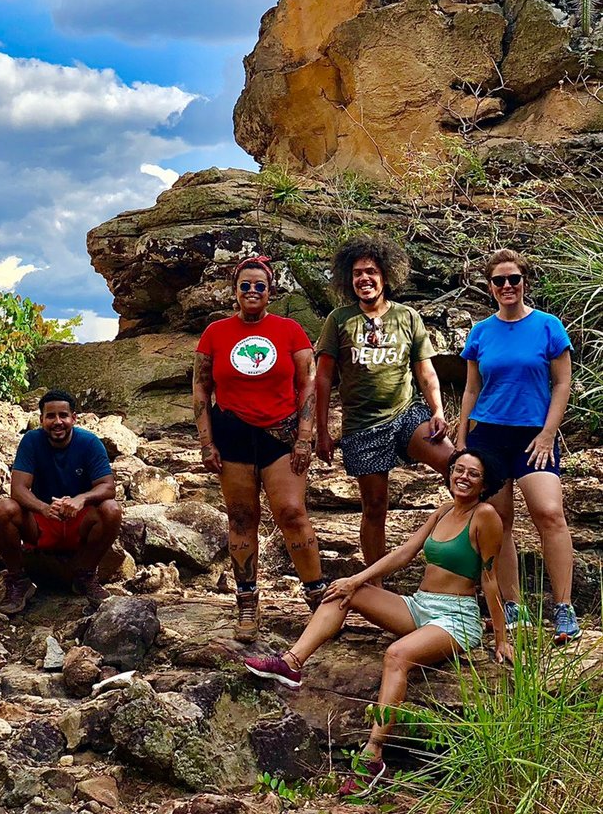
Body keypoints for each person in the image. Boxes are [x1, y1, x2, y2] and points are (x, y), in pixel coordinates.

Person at [244, 449, 511, 798]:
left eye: (472, 474)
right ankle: (291, 663)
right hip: (420, 607)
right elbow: (404, 553)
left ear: (484, 482)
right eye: (458, 469)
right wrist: (357, 579)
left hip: (456, 618)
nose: (462, 477)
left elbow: (490, 580)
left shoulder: (486, 516)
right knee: (342, 594)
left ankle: (373, 755)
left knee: (397, 655)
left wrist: (501, 638)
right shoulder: (444, 510)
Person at [193, 255, 325, 644]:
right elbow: (201, 387)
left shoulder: (290, 330)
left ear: (271, 291)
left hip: (281, 434)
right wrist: (205, 441)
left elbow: (308, 383)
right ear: (235, 291)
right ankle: (247, 599)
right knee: (240, 517)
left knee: (291, 512)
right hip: (232, 433)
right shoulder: (215, 333)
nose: (252, 292)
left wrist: (305, 436)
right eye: (245, 285)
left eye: (260, 286)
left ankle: (318, 599)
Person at [456, 248, 580, 644]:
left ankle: (563, 608)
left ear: (524, 282)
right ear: (490, 286)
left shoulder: (548, 326)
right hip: (488, 434)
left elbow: (562, 383)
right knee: (499, 521)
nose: (507, 286)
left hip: (532, 434)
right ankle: (513, 605)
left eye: (514, 279)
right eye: (499, 281)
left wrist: (547, 433)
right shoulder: (481, 331)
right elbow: (472, 388)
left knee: (549, 513)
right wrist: (461, 438)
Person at [315, 235, 454, 571]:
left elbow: (426, 371)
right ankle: (375, 582)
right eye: (358, 273)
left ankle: (463, 556)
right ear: (349, 280)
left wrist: (436, 411)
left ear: (385, 276)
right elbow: (321, 379)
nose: (365, 278)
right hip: (362, 426)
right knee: (375, 506)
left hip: (406, 414)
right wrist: (322, 431)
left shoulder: (407, 317)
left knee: (458, 467)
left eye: (372, 271)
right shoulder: (339, 319)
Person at [0, 389, 122, 613]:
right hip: (42, 522)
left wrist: (81, 499)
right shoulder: (31, 441)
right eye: (50, 416)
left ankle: (85, 575)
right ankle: (18, 579)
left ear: (74, 418)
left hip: (77, 522)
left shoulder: (89, 443)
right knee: (4, 509)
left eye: (63, 415)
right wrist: (43, 508)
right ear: (41, 419)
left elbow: (108, 487)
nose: (57, 422)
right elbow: (18, 489)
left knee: (111, 509)